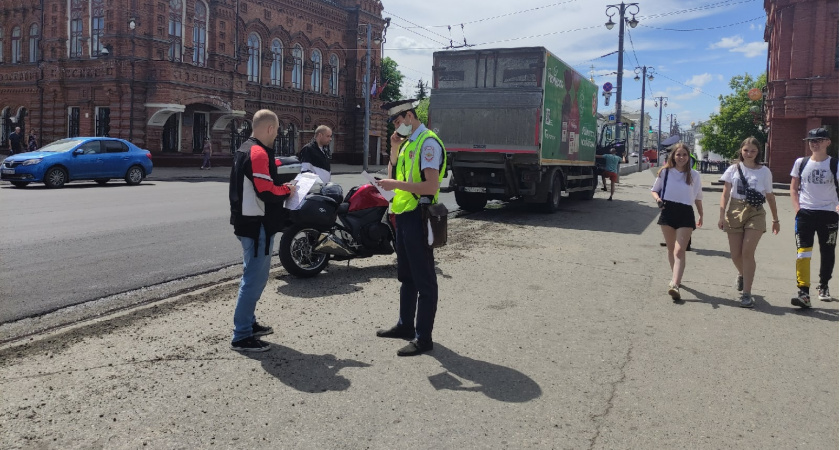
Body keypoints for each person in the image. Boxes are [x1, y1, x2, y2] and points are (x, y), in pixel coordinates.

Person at [374, 99, 447, 356]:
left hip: (420, 216)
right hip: (404, 215)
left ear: (409, 116)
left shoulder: (428, 143)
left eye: (398, 121)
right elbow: (394, 174)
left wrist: (395, 185)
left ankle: (424, 338)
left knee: (424, 280)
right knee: (406, 276)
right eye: (394, 124)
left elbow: (430, 186)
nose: (396, 127)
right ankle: (406, 325)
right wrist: (394, 148)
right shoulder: (406, 143)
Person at [228, 109, 297, 352]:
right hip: (257, 225)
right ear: (269, 128)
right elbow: (265, 190)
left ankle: (248, 323)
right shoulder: (257, 152)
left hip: (249, 222)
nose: (277, 134)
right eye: (276, 130)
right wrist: (288, 190)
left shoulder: (245, 149)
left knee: (252, 276)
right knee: (254, 280)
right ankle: (242, 336)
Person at [717, 137, 780, 308]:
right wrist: (721, 215)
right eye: (746, 150)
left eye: (753, 151)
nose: (749, 154)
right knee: (735, 255)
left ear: (758, 152)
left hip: (755, 211)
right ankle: (742, 274)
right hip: (735, 210)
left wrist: (775, 219)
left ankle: (747, 293)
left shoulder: (764, 171)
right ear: (741, 150)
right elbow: (725, 193)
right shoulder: (733, 169)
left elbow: (770, 196)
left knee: (747, 252)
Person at [789, 127, 839, 308]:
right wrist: (797, 209)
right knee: (803, 252)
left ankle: (823, 285)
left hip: (828, 214)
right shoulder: (801, 162)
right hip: (806, 214)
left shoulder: (834, 164)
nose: (814, 143)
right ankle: (803, 292)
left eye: (818, 140)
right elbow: (793, 187)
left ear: (828, 142)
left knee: (827, 251)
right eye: (811, 141)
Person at [650, 143, 704, 301]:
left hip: (686, 213)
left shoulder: (694, 175)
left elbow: (698, 197)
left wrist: (701, 214)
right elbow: (654, 190)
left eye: (685, 155)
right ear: (673, 156)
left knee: (679, 251)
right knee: (671, 249)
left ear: (689, 157)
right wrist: (658, 199)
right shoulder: (665, 172)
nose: (681, 157)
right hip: (668, 210)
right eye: (678, 154)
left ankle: (675, 284)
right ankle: (676, 277)